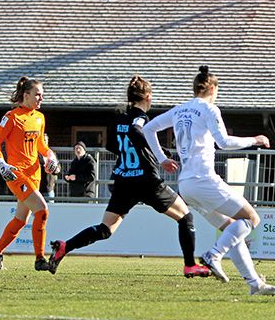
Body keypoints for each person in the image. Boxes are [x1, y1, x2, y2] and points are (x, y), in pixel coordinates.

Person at [48, 76, 209, 278]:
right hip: (146, 181)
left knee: (105, 229)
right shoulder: (141, 117)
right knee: (186, 217)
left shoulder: (119, 119)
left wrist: (143, 153)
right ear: (148, 97)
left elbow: (112, 146)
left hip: (124, 181)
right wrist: (160, 156)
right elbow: (136, 130)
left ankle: (65, 247)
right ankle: (189, 265)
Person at [143, 65, 275, 296]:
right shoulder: (209, 109)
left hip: (186, 185)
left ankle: (254, 284)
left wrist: (162, 159)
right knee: (251, 218)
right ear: (211, 88)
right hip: (204, 179)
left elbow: (149, 128)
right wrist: (255, 139)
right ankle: (213, 255)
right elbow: (224, 142)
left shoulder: (180, 109)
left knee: (232, 229)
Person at [0, 76, 60, 271]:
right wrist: (1, 163)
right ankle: (39, 259)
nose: (41, 99)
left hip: (34, 173)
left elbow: (41, 146)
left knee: (21, 220)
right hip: (16, 174)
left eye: (42, 95)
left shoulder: (39, 117)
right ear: (26, 95)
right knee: (42, 210)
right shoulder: (12, 117)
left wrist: (51, 157)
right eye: (37, 95)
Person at [38, 134, 59, 200]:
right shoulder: (35, 154)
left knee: (51, 209)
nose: (44, 141)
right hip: (38, 188)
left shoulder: (52, 154)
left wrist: (57, 169)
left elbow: (58, 166)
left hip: (49, 189)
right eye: (42, 140)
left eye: (45, 140)